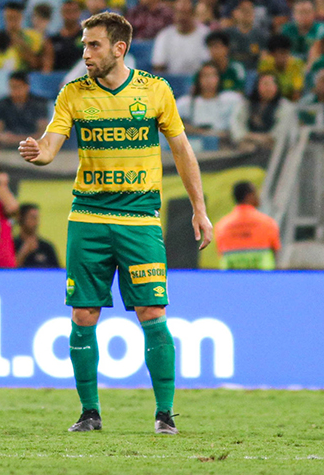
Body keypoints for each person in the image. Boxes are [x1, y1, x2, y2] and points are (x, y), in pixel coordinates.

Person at [18, 12, 212, 435]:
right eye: (84, 45)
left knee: (152, 311)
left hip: (140, 219)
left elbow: (181, 151)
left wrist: (199, 208)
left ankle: (164, 414)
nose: (86, 53)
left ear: (119, 49)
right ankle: (90, 413)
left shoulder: (155, 91)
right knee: (84, 314)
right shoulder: (73, 94)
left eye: (94, 45)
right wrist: (39, 150)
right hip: (87, 218)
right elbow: (53, 144)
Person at [215, 181, 281, 270]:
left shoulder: (221, 226)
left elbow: (222, 255)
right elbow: (275, 252)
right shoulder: (268, 223)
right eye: (255, 193)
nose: (258, 197)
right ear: (249, 196)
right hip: (262, 279)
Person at [176, 62, 242, 143]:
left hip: (224, 143)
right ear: (198, 80)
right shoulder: (186, 102)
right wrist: (196, 130)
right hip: (197, 143)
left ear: (219, 78)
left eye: (212, 76)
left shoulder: (231, 99)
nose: (208, 80)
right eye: (205, 76)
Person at [230, 72, 295, 149]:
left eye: (272, 84)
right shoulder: (245, 104)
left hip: (276, 149)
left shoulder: (285, 106)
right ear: (257, 86)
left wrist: (263, 139)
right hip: (248, 144)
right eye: (265, 84)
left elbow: (280, 133)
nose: (269, 88)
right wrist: (245, 137)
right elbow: (236, 125)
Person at [152, 0, 209, 75]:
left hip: (199, 81)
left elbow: (209, 64)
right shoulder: (164, 36)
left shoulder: (205, 34)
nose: (182, 17)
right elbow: (158, 67)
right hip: (172, 82)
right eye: (178, 12)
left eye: (186, 13)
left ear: (193, 14)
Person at [0, 71, 48, 148]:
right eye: (12, 87)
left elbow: (42, 133)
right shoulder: (2, 104)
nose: (14, 91)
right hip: (7, 146)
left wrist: (18, 139)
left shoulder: (39, 103)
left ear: (26, 86)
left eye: (17, 87)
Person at [0, 2, 43, 71]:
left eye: (15, 18)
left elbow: (36, 64)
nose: (11, 22)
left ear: (21, 18)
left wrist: (20, 44)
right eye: (8, 18)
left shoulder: (34, 36)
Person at [224, 0, 268, 71]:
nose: (247, 13)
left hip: (254, 72)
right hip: (233, 71)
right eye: (243, 10)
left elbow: (264, 57)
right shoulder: (227, 34)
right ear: (235, 13)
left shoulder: (261, 35)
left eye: (250, 10)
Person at [258, 34, 305, 101]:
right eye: (279, 54)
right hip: (270, 100)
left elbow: (297, 91)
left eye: (285, 53)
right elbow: (261, 87)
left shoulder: (297, 64)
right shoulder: (265, 64)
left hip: (289, 100)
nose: (283, 58)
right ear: (272, 54)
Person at [13, 203, 60, 268]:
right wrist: (23, 253)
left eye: (37, 218)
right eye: (32, 218)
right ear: (21, 219)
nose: (36, 222)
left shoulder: (46, 247)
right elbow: (8, 270)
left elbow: (57, 272)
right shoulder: (12, 245)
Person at [43, 0, 84, 72]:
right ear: (62, 13)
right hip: (60, 79)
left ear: (79, 13)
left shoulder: (87, 36)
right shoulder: (53, 40)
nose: (70, 15)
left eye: (74, 11)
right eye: (67, 11)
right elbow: (47, 67)